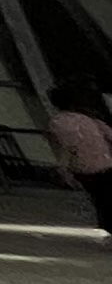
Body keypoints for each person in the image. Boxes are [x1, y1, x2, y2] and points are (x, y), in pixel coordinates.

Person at [53, 86, 112, 242]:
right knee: (106, 198)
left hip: (85, 169)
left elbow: (67, 148)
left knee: (100, 199)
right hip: (107, 164)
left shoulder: (58, 122)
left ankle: (107, 227)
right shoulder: (91, 119)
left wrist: (63, 170)